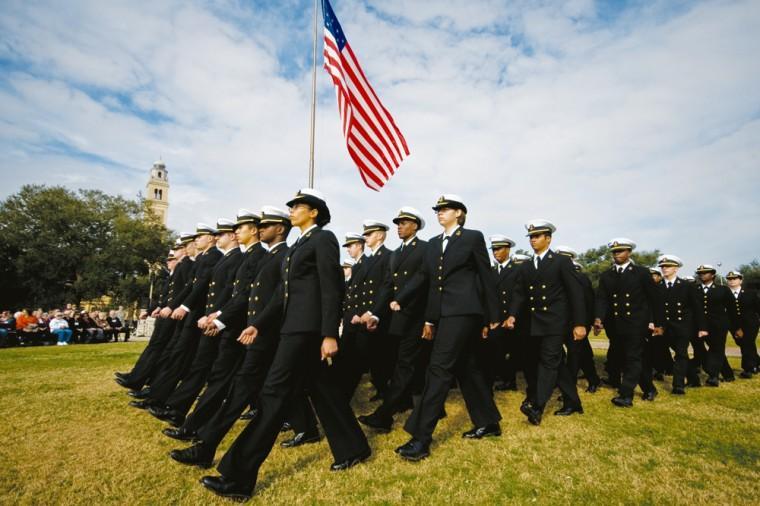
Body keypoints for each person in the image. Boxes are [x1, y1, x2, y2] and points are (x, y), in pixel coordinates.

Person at [200, 189, 370, 501]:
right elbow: (283, 294)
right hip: (292, 328)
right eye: (291, 206)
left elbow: (332, 288)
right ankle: (354, 447)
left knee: (272, 395)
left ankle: (238, 476)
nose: (291, 210)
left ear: (314, 211)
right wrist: (258, 323)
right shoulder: (296, 247)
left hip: (306, 332)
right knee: (324, 389)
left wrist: (329, 334)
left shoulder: (324, 239)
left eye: (297, 206)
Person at [169, 206, 295, 467]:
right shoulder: (270, 255)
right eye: (258, 226)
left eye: (266, 226)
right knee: (248, 390)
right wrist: (225, 319)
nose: (260, 229)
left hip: (267, 334)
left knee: (243, 391)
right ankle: (205, 446)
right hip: (255, 332)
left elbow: (275, 299)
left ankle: (205, 447)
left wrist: (246, 323)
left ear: (280, 229)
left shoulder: (285, 255)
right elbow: (248, 295)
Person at [392, 194, 502, 461]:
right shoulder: (433, 244)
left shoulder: (472, 237)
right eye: (438, 210)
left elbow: (486, 276)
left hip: (465, 312)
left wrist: (493, 314)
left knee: (438, 369)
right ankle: (488, 422)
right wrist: (401, 298)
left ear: (459, 213)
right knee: (467, 368)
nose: (440, 213)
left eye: (446, 209)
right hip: (443, 314)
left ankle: (421, 438)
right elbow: (425, 278)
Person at [148, 219, 245, 426]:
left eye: (221, 234)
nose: (218, 238)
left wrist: (217, 316)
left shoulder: (236, 258)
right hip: (210, 319)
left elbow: (231, 291)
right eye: (216, 235)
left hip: (220, 321)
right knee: (201, 367)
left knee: (215, 371)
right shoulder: (224, 258)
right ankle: (176, 408)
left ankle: (179, 410)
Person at [506, 220, 586, 425]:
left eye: (537, 236)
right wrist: (513, 314)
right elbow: (519, 294)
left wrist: (579, 323)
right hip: (535, 323)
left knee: (548, 362)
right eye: (531, 237)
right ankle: (573, 402)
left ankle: (537, 406)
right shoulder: (526, 266)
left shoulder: (561, 262)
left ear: (548, 238)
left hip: (555, 322)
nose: (533, 240)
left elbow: (575, 294)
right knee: (556, 364)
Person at [358, 207, 431, 432]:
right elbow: (387, 285)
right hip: (398, 318)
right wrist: (375, 313)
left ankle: (385, 415)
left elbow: (423, 278)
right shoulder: (396, 253)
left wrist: (402, 298)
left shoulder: (425, 248)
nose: (399, 226)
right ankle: (409, 402)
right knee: (404, 365)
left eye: (404, 222)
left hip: (417, 316)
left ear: (415, 226)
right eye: (397, 223)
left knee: (405, 366)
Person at [594, 239, 663, 407]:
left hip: (637, 323)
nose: (617, 254)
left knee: (632, 357)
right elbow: (602, 299)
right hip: (616, 325)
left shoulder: (641, 273)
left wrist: (659, 323)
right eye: (615, 251)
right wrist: (598, 318)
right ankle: (649, 388)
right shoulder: (607, 275)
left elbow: (655, 299)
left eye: (621, 251)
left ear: (629, 252)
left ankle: (626, 395)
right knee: (627, 359)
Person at [657, 255, 707, 394]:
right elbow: (654, 307)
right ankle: (694, 379)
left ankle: (678, 385)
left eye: (668, 266)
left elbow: (697, 308)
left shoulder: (687, 286)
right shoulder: (657, 286)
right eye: (662, 266)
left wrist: (702, 327)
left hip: (682, 326)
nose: (664, 269)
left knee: (680, 354)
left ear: (676, 269)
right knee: (679, 355)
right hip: (663, 327)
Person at [696, 264, 735, 386]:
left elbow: (732, 309)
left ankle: (713, 376)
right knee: (715, 350)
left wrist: (732, 325)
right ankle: (728, 373)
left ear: (713, 275)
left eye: (706, 273)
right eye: (700, 273)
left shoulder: (722, 290)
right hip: (701, 325)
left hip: (719, 325)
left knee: (716, 349)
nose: (702, 275)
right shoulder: (694, 289)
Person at [726, 270, 760, 378]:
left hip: (751, 324)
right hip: (734, 325)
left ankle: (748, 368)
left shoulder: (751, 293)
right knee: (744, 344)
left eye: (734, 278)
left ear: (740, 280)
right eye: (729, 279)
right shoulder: (725, 295)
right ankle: (757, 362)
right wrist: (736, 328)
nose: (732, 281)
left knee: (747, 344)